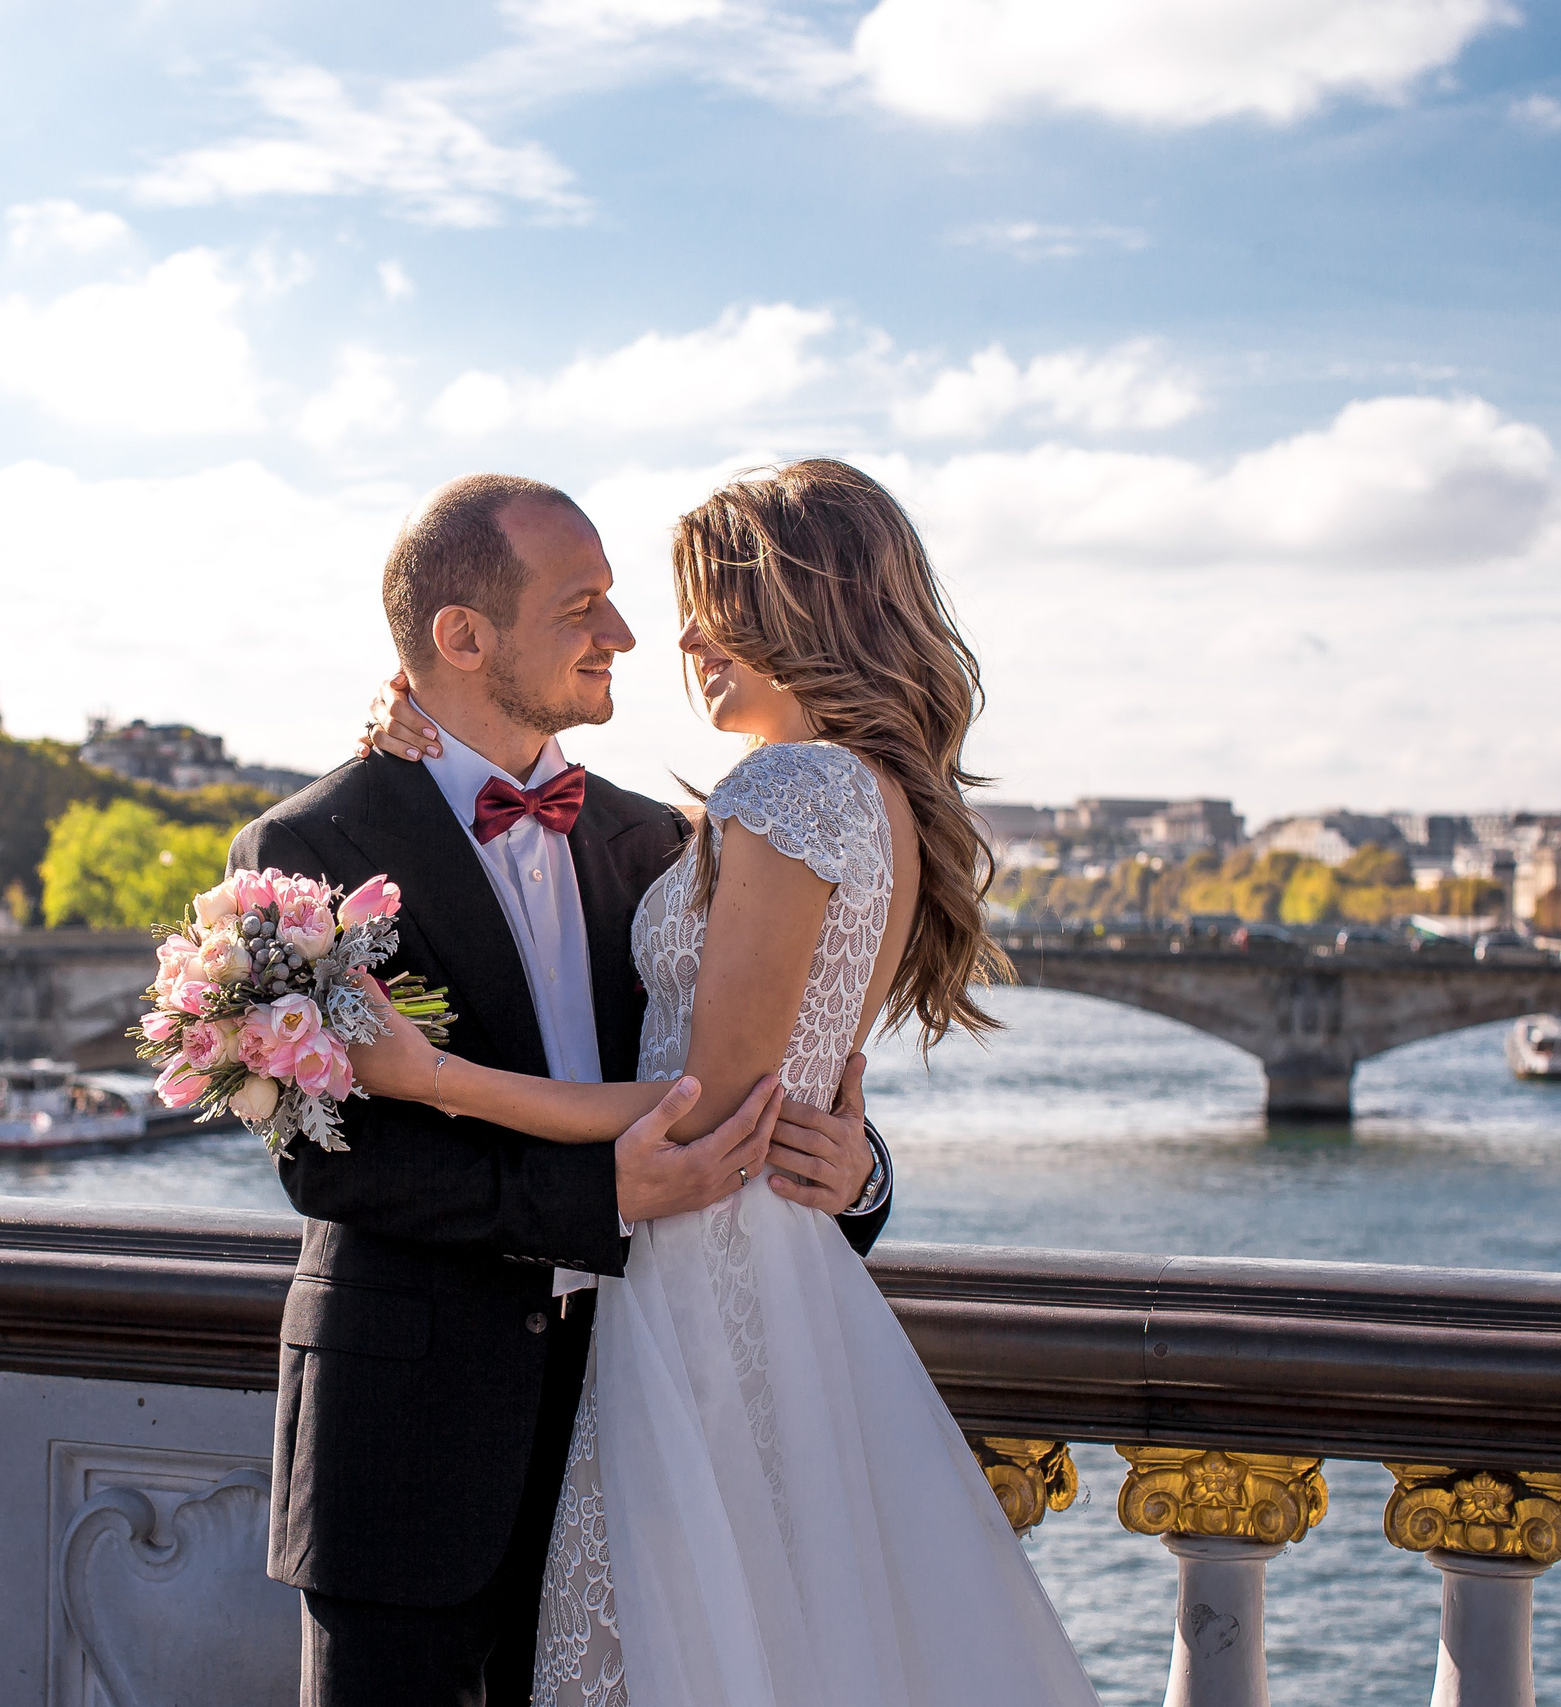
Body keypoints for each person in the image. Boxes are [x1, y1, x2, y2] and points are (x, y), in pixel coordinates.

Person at [340, 458, 1098, 1705]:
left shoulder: (778, 792)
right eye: (601, 602)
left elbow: (712, 1098)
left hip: (697, 1280)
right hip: (495, 1407)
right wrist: (409, 729)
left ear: (802, 607)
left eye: (713, 602)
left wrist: (432, 1075)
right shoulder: (815, 801)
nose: (667, 636)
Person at [227, 473, 897, 1707]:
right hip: (413, 1455)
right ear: (462, 638)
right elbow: (329, 1159)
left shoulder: (659, 840)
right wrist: (596, 1195)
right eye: (581, 605)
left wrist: (860, 1174)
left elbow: (752, 1073)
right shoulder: (306, 850)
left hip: (647, 1427)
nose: (625, 636)